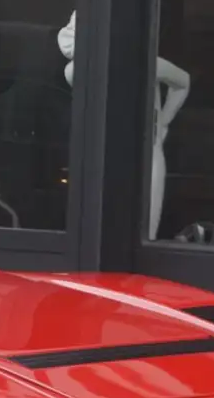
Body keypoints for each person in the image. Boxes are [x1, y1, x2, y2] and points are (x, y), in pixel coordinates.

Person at [57, 12, 191, 240]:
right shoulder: (79, 70)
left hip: (144, 150)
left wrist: (163, 122)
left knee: (144, 228)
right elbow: (183, 83)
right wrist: (163, 122)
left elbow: (183, 82)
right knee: (107, 223)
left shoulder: (146, 64)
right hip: (111, 150)